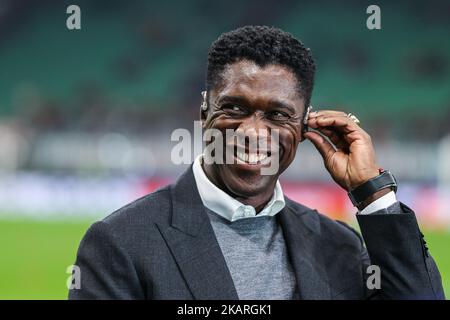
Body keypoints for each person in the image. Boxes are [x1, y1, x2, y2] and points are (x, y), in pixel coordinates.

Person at [69, 26, 444, 300]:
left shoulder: (338, 246)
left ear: (302, 127)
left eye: (278, 115)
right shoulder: (121, 242)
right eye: (234, 108)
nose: (253, 131)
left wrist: (372, 194)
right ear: (204, 111)